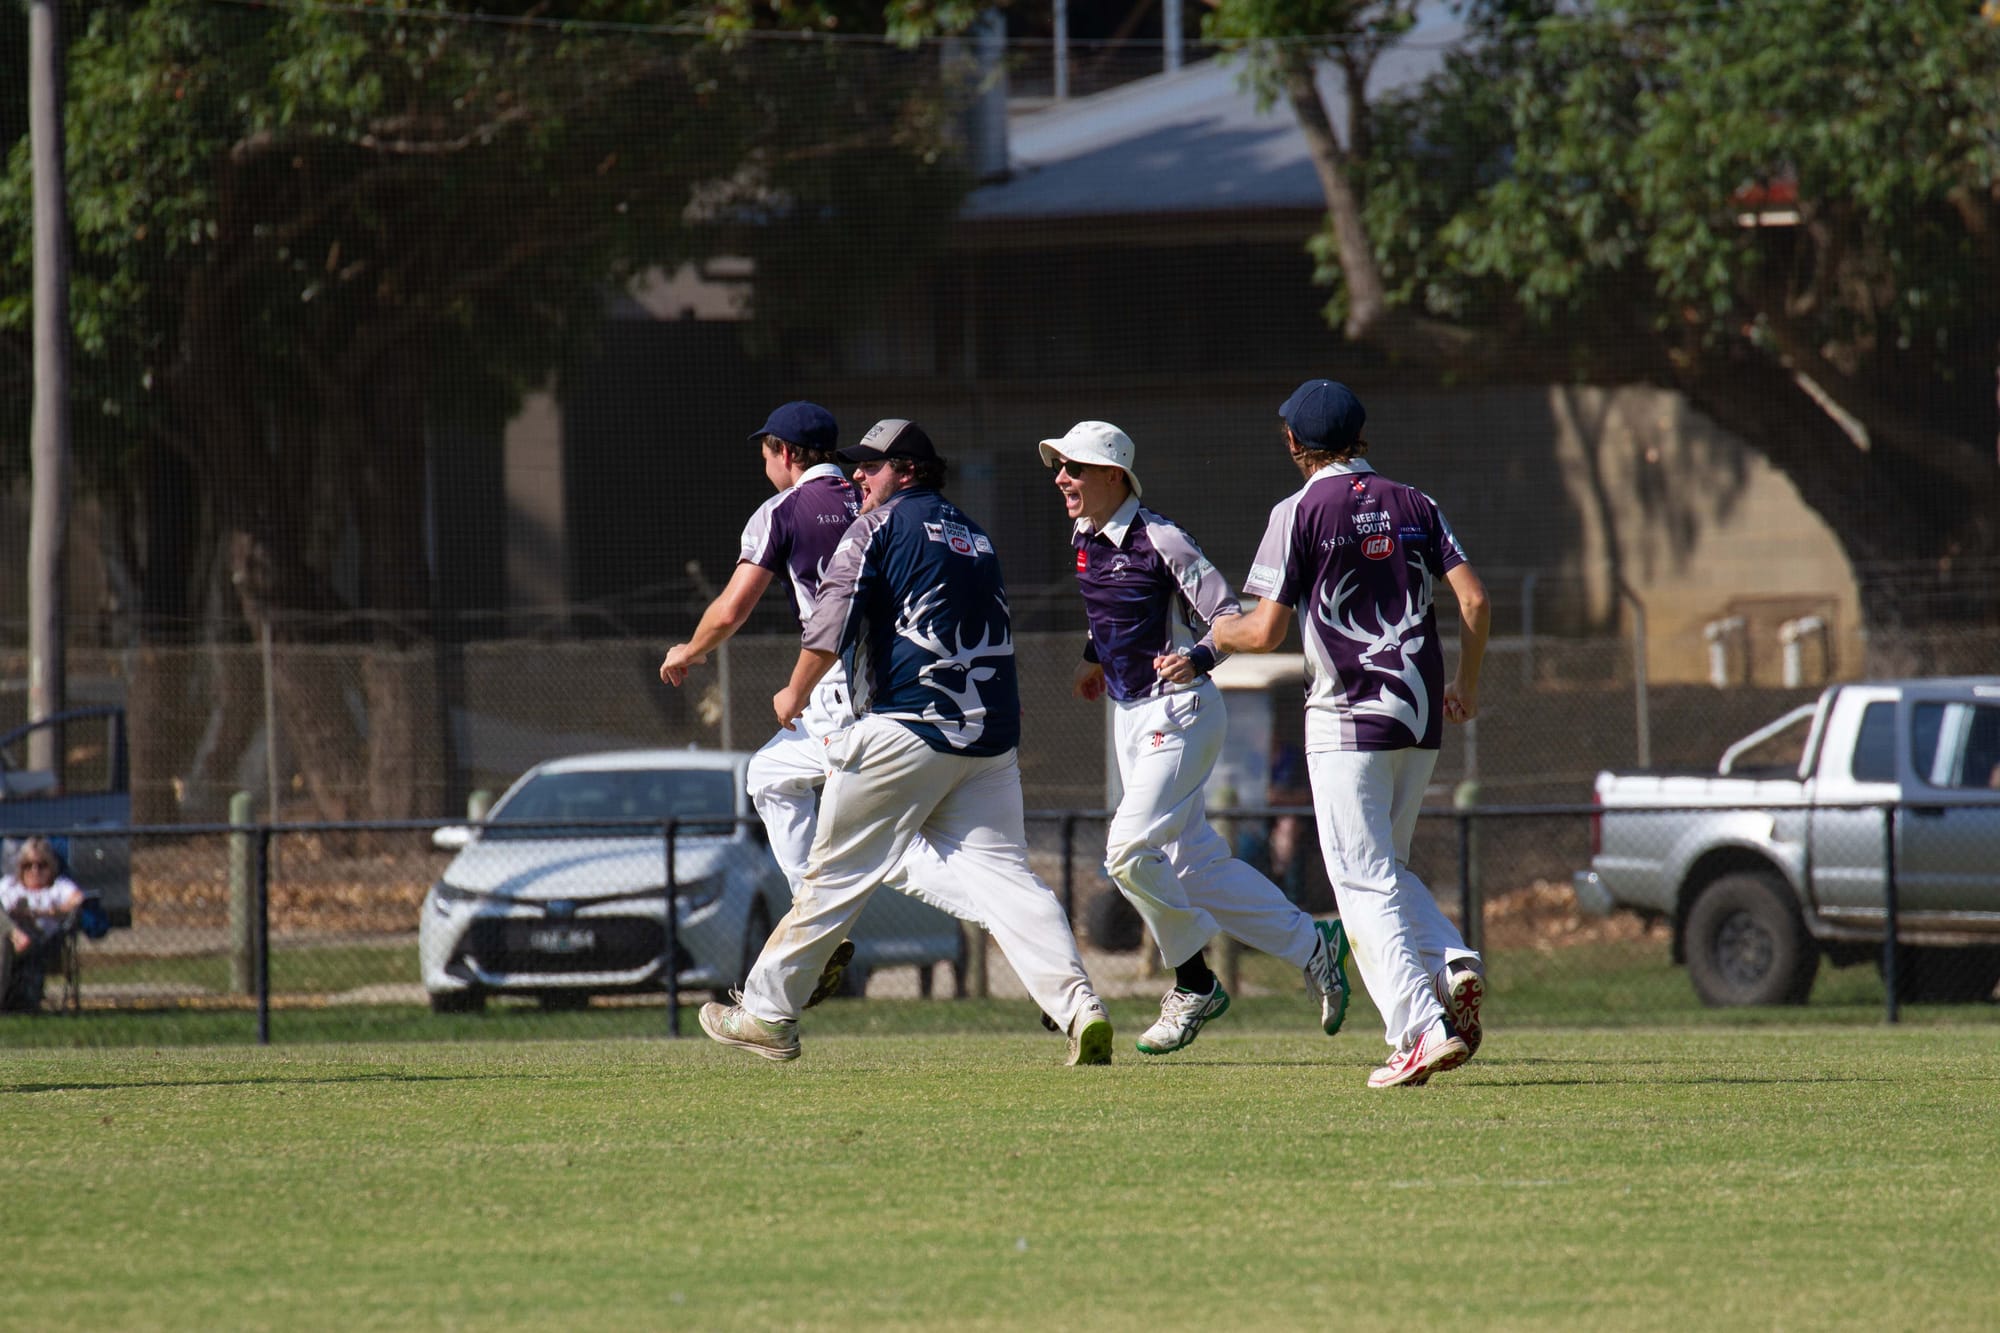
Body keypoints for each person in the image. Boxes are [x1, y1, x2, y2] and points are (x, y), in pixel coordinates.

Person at [701, 419, 1115, 1065]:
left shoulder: (875, 526)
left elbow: (831, 621)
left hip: (907, 727)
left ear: (909, 471)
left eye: (872, 465)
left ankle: (766, 1013)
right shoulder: (975, 534)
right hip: (988, 740)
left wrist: (794, 691)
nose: (859, 475)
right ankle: (1080, 1007)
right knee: (1009, 881)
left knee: (832, 877)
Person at [1039, 420, 1351, 1055]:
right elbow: (1109, 607)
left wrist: (1200, 657)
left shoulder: (1163, 539)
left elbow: (1229, 618)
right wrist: (1092, 658)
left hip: (1180, 712)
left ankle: (1194, 983)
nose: (1062, 478)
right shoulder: (1084, 536)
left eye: (1074, 467)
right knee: (1193, 867)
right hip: (1130, 717)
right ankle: (1313, 945)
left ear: (1113, 475)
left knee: (1126, 850)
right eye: (1059, 468)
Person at [1213, 379, 1489, 1089]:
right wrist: (1467, 684)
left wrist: (1214, 634)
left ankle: (1419, 1030)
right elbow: (1475, 600)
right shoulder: (1416, 502)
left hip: (1345, 719)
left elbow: (1265, 630)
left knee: (1361, 880)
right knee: (1386, 867)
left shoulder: (1298, 510)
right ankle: (1451, 961)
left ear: (1294, 442)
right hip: (1419, 717)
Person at [660, 401, 983, 1003]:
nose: (765, 464)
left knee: (887, 846)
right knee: (771, 775)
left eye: (765, 452)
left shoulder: (783, 510)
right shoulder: (874, 498)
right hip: (901, 677)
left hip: (837, 688)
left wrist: (690, 650)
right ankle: (821, 921)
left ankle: (1000, 913)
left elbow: (731, 609)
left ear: (784, 452)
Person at [0, 836, 86, 1011]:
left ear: (51, 866)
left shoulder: (57, 887)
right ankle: (14, 932)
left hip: (39, 942)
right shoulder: (9, 885)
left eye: (41, 865)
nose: (35, 870)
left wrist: (44, 912)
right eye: (28, 865)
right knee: (4, 937)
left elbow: (78, 899)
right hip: (11, 937)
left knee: (3, 941)